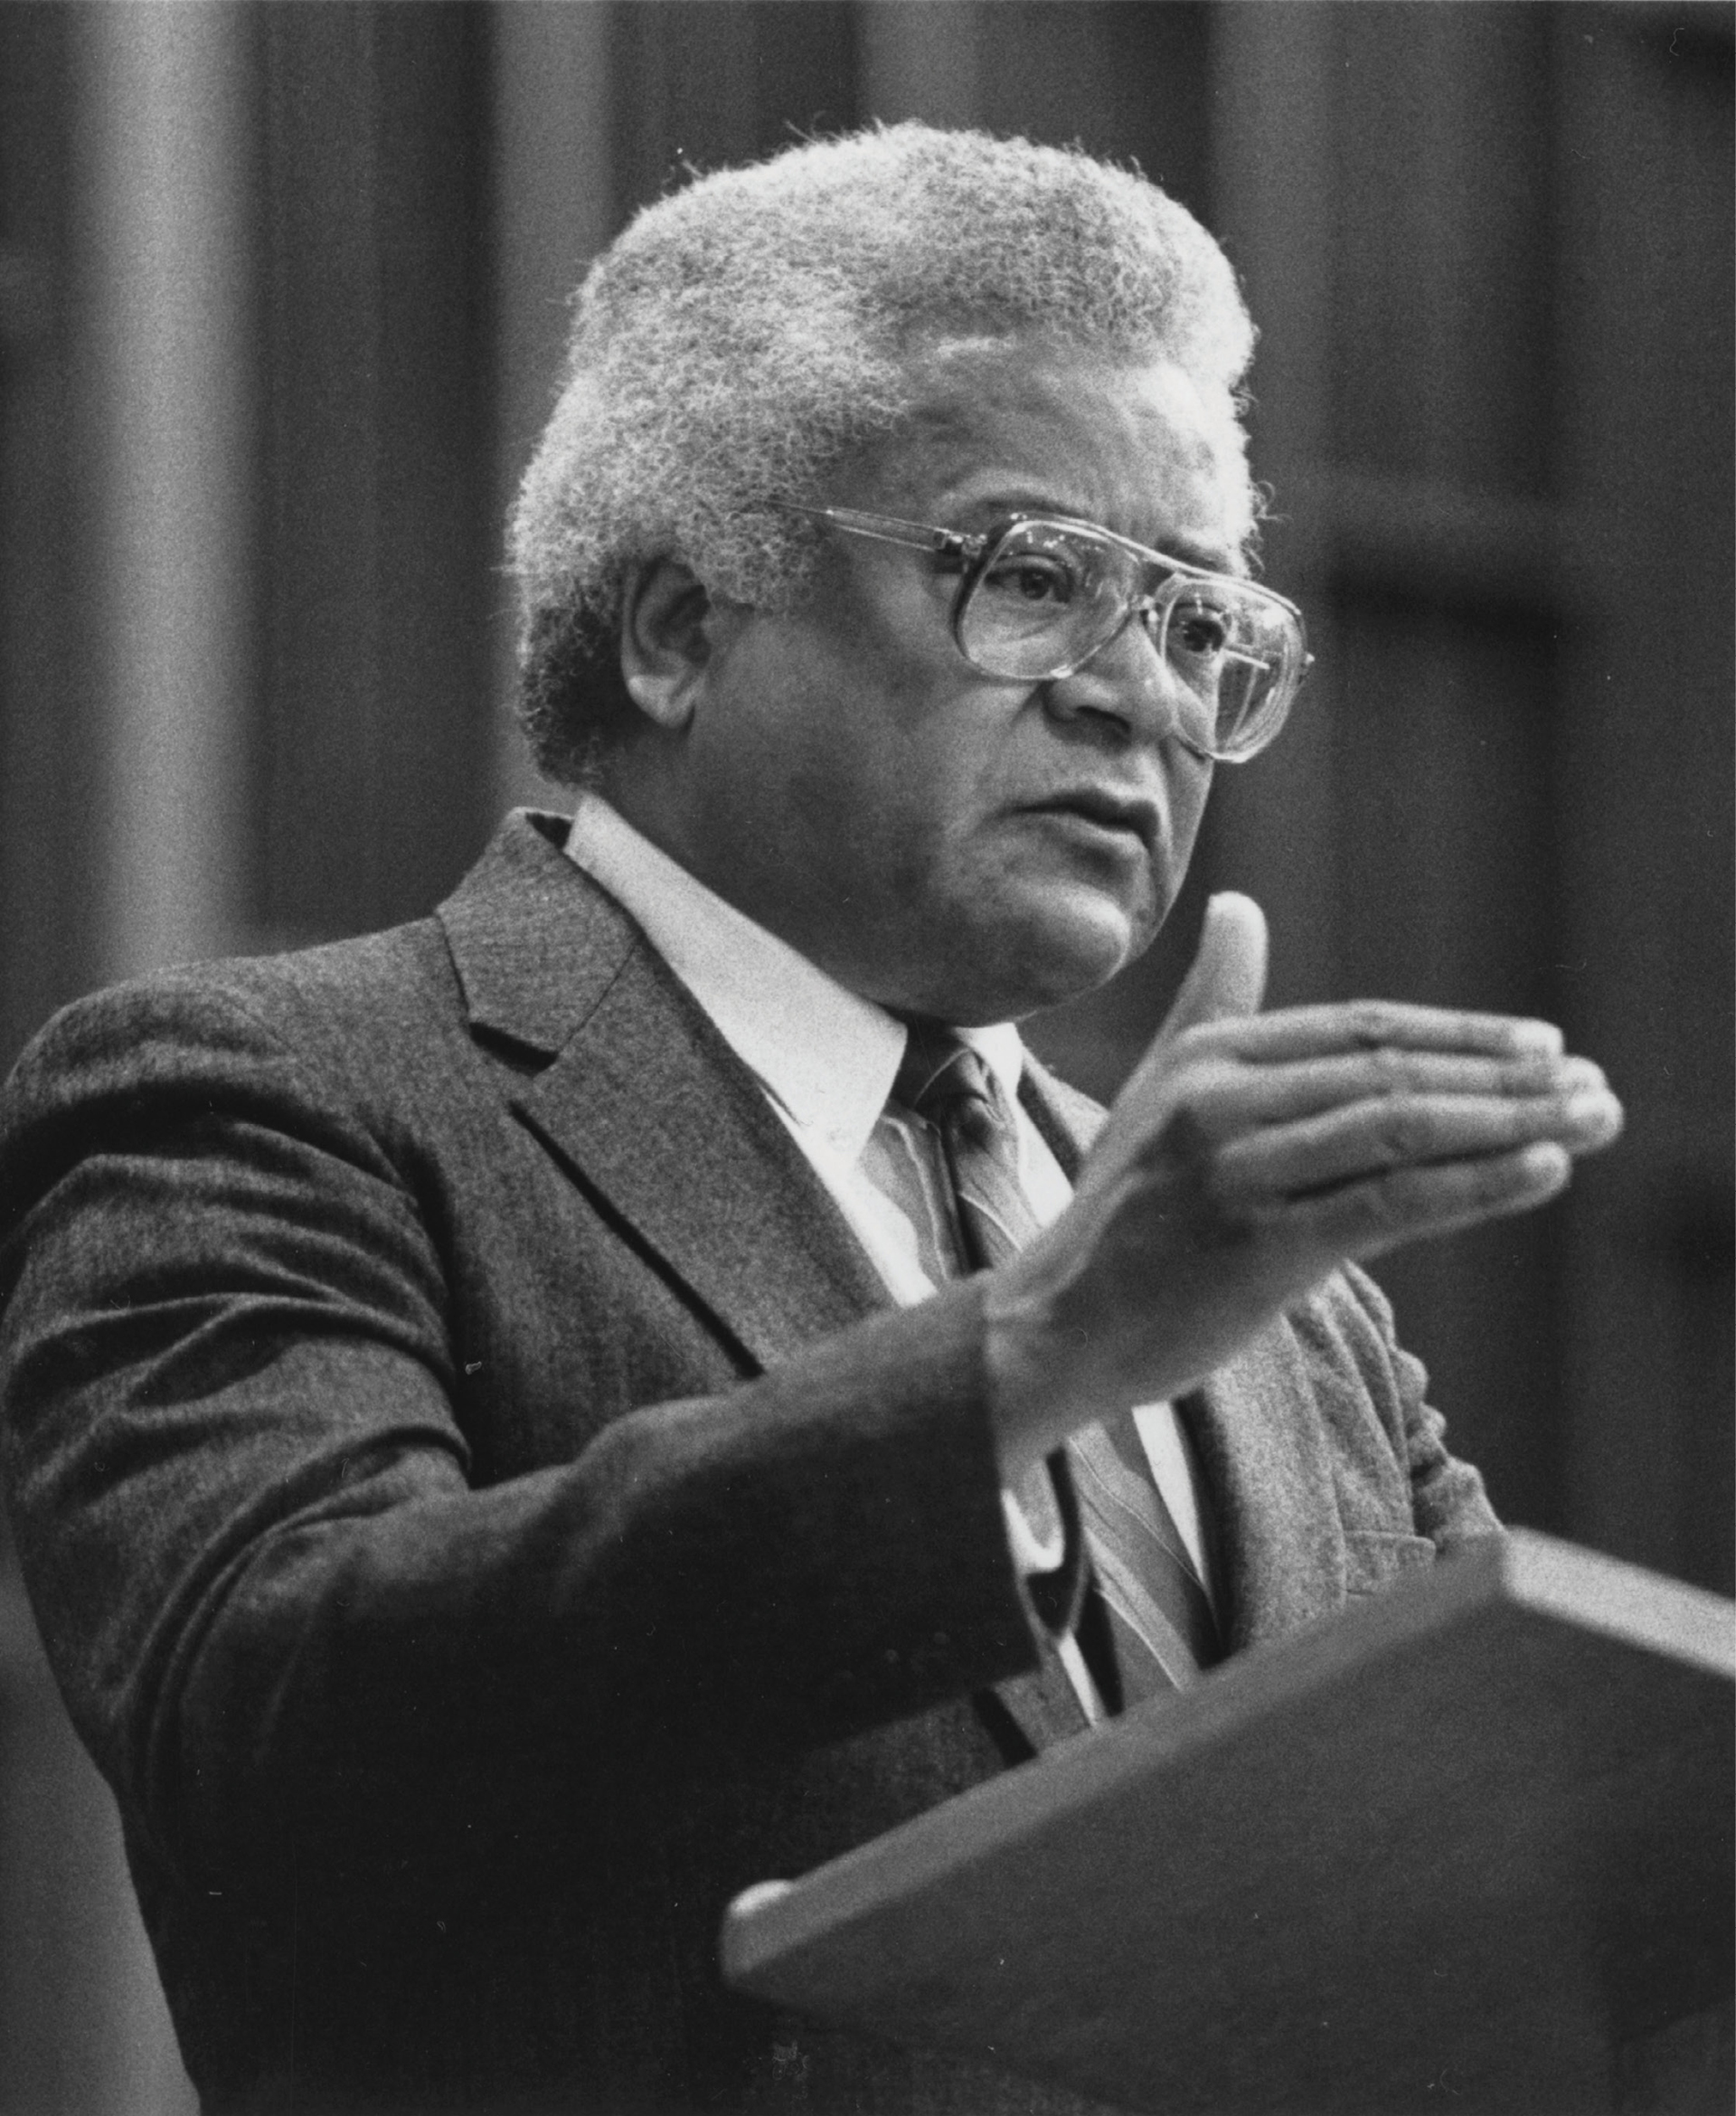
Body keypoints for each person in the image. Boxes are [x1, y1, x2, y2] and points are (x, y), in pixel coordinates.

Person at [0, 126, 1620, 2114]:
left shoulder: (1275, 1288)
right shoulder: (276, 1099)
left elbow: (1513, 1922)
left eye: (1204, 626)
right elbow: (273, 1712)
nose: (1145, 703)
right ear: (682, 624)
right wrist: (1034, 1358)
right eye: (1039, 579)